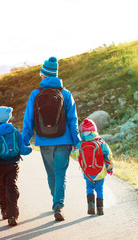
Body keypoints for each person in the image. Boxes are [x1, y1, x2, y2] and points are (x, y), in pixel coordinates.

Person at [22, 56, 81, 221]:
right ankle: (58, 205)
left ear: (43, 75)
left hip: (44, 140)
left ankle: (55, 201)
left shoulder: (35, 94)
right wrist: (77, 141)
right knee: (60, 173)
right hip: (64, 141)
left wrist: (24, 141)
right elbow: (72, 120)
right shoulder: (66, 94)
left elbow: (29, 120)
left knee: (51, 174)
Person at [0, 106, 32, 226]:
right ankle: (12, 215)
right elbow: (22, 149)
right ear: (7, 117)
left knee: (2, 187)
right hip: (13, 164)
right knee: (12, 187)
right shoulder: (14, 131)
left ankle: (4, 210)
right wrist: (30, 149)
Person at [73, 118, 114, 215]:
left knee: (89, 188)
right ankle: (100, 209)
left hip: (87, 171)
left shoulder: (81, 144)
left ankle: (90, 205)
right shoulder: (101, 143)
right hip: (100, 171)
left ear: (82, 132)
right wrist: (110, 168)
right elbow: (109, 156)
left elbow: (74, 155)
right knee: (99, 189)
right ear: (94, 130)